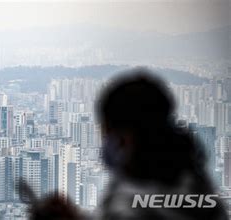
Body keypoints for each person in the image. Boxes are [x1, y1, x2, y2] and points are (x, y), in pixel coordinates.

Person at [21, 68, 229, 220]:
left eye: (106, 133)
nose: (104, 144)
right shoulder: (194, 183)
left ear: (124, 137)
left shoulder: (129, 200)